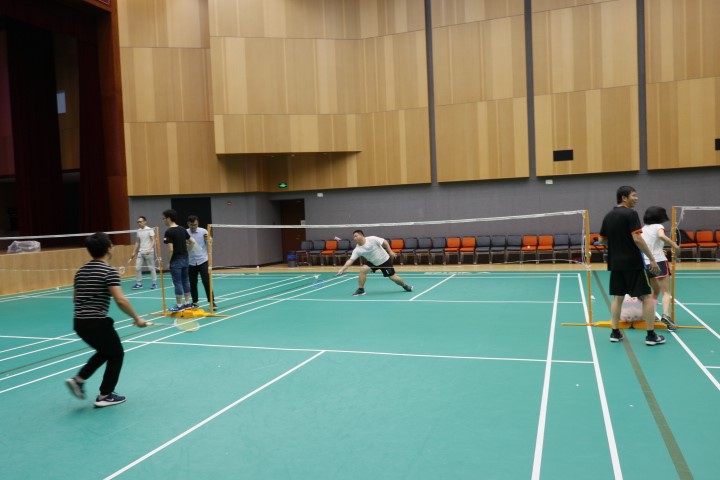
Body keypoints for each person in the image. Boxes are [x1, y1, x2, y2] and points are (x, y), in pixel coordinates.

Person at [65, 232, 150, 407]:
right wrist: (137, 318)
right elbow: (120, 300)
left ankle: (79, 380)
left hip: (79, 322)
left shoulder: (80, 271)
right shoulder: (109, 271)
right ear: (109, 248)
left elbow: (75, 298)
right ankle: (105, 395)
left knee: (105, 351)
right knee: (116, 353)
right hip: (96, 321)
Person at [599, 186, 665, 346]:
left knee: (618, 297)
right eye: (634, 196)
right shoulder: (631, 214)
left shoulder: (608, 216)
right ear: (624, 198)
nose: (637, 198)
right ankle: (651, 336)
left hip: (615, 263)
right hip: (633, 263)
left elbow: (602, 240)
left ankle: (615, 332)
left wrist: (617, 245)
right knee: (647, 297)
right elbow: (637, 238)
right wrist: (652, 259)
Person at [337, 230, 413, 296]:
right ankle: (361, 289)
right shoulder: (357, 249)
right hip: (373, 262)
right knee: (363, 270)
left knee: (393, 277)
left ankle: (405, 286)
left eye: (356, 236)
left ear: (361, 235)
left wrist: (390, 251)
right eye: (354, 237)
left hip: (384, 260)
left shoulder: (372, 239)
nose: (354, 238)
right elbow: (351, 260)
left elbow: (385, 242)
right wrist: (342, 269)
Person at [641, 206, 680, 331]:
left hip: (647, 263)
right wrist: (674, 245)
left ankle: (651, 315)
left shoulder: (643, 229)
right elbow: (661, 236)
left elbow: (646, 245)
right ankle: (666, 315)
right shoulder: (658, 226)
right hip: (659, 262)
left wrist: (659, 249)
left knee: (655, 291)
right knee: (666, 292)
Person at [162, 209, 195, 312]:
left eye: (163, 218)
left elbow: (171, 250)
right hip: (185, 259)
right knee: (185, 280)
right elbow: (192, 242)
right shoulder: (182, 229)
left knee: (178, 283)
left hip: (176, 261)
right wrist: (187, 252)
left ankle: (179, 305)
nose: (163, 220)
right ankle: (187, 303)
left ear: (168, 218)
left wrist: (168, 262)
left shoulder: (168, 231)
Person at [186, 215, 217, 309]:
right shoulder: (185, 232)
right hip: (191, 262)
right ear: (188, 224)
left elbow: (210, 244)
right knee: (192, 283)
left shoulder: (203, 231)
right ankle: (195, 302)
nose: (193, 226)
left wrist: (208, 239)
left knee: (206, 281)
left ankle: (211, 302)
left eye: (195, 224)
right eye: (191, 225)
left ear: (198, 223)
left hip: (203, 260)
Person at [129, 216, 157, 290]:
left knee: (151, 268)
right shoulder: (138, 231)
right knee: (137, 267)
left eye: (140, 221)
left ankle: (154, 283)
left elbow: (153, 240)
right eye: (138, 222)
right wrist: (134, 252)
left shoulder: (149, 230)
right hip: (140, 252)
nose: (139, 223)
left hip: (149, 252)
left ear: (145, 222)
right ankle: (139, 284)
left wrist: (149, 249)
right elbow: (138, 242)